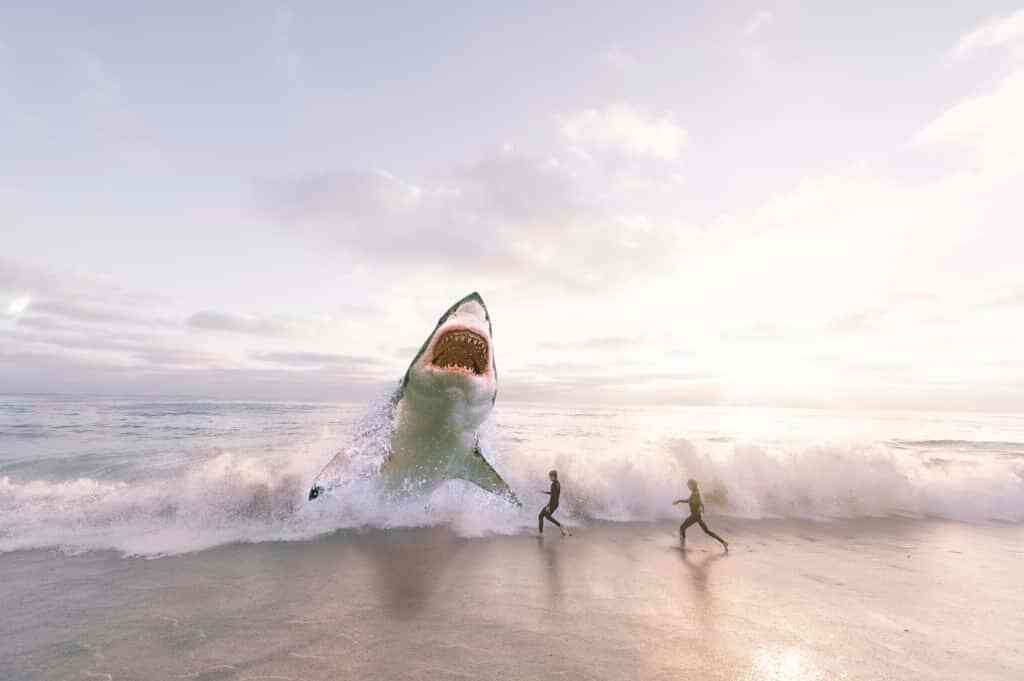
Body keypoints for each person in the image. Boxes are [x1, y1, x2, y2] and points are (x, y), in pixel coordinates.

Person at [673, 478, 728, 551]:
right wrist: (680, 501)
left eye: (689, 485)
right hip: (697, 516)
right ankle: (723, 542)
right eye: (688, 485)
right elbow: (695, 501)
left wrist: (699, 507)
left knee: (682, 528)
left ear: (693, 485)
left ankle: (682, 545)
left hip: (695, 516)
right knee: (707, 531)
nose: (688, 486)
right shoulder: (695, 492)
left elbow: (696, 501)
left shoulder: (695, 493)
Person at [538, 469, 569, 536]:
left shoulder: (554, 485)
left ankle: (541, 533)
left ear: (554, 476)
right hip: (555, 503)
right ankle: (561, 526)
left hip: (553, 503)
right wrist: (546, 492)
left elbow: (553, 496)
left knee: (541, 516)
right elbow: (554, 493)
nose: (549, 478)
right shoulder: (557, 483)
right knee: (547, 516)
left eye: (550, 476)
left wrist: (548, 506)